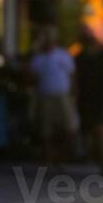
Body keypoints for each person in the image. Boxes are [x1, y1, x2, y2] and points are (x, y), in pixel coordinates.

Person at [30, 27, 76, 167]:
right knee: (46, 131)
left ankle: (59, 157)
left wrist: (74, 94)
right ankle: (49, 159)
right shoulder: (39, 58)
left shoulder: (63, 56)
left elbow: (73, 75)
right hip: (45, 97)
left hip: (62, 96)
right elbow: (32, 77)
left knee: (69, 129)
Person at [75, 27, 103, 171]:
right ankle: (98, 159)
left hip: (100, 98)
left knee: (99, 132)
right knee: (90, 133)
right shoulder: (80, 57)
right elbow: (77, 80)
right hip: (87, 99)